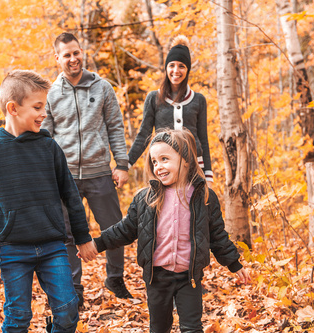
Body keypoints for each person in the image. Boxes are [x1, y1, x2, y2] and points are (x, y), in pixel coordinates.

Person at [0, 70, 97, 333]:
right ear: (13, 108)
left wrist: (82, 236)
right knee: (17, 316)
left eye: (44, 106)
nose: (44, 113)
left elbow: (70, 195)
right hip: (14, 249)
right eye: (37, 107)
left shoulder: (49, 148)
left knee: (68, 311)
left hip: (53, 246)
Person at [93, 129, 251, 333]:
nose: (158, 166)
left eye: (164, 159)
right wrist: (96, 244)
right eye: (154, 161)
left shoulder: (204, 197)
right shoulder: (146, 198)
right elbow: (124, 230)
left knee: (192, 328)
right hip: (156, 278)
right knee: (159, 328)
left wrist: (234, 263)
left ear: (185, 159)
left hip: (190, 278)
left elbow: (217, 235)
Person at [42, 32, 132, 303]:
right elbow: (45, 137)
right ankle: (74, 289)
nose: (73, 59)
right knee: (66, 233)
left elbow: (115, 126)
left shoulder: (102, 87)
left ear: (82, 52)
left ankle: (115, 279)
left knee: (115, 228)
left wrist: (122, 164)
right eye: (66, 55)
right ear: (57, 58)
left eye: (76, 53)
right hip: (64, 176)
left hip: (100, 172)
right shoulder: (50, 93)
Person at [128, 35, 214, 187]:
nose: (176, 70)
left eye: (181, 66)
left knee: (193, 209)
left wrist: (208, 175)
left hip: (194, 168)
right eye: (172, 65)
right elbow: (144, 135)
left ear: (187, 70)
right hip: (164, 169)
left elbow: (203, 140)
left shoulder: (198, 99)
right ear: (166, 67)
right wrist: (125, 165)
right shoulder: (154, 97)